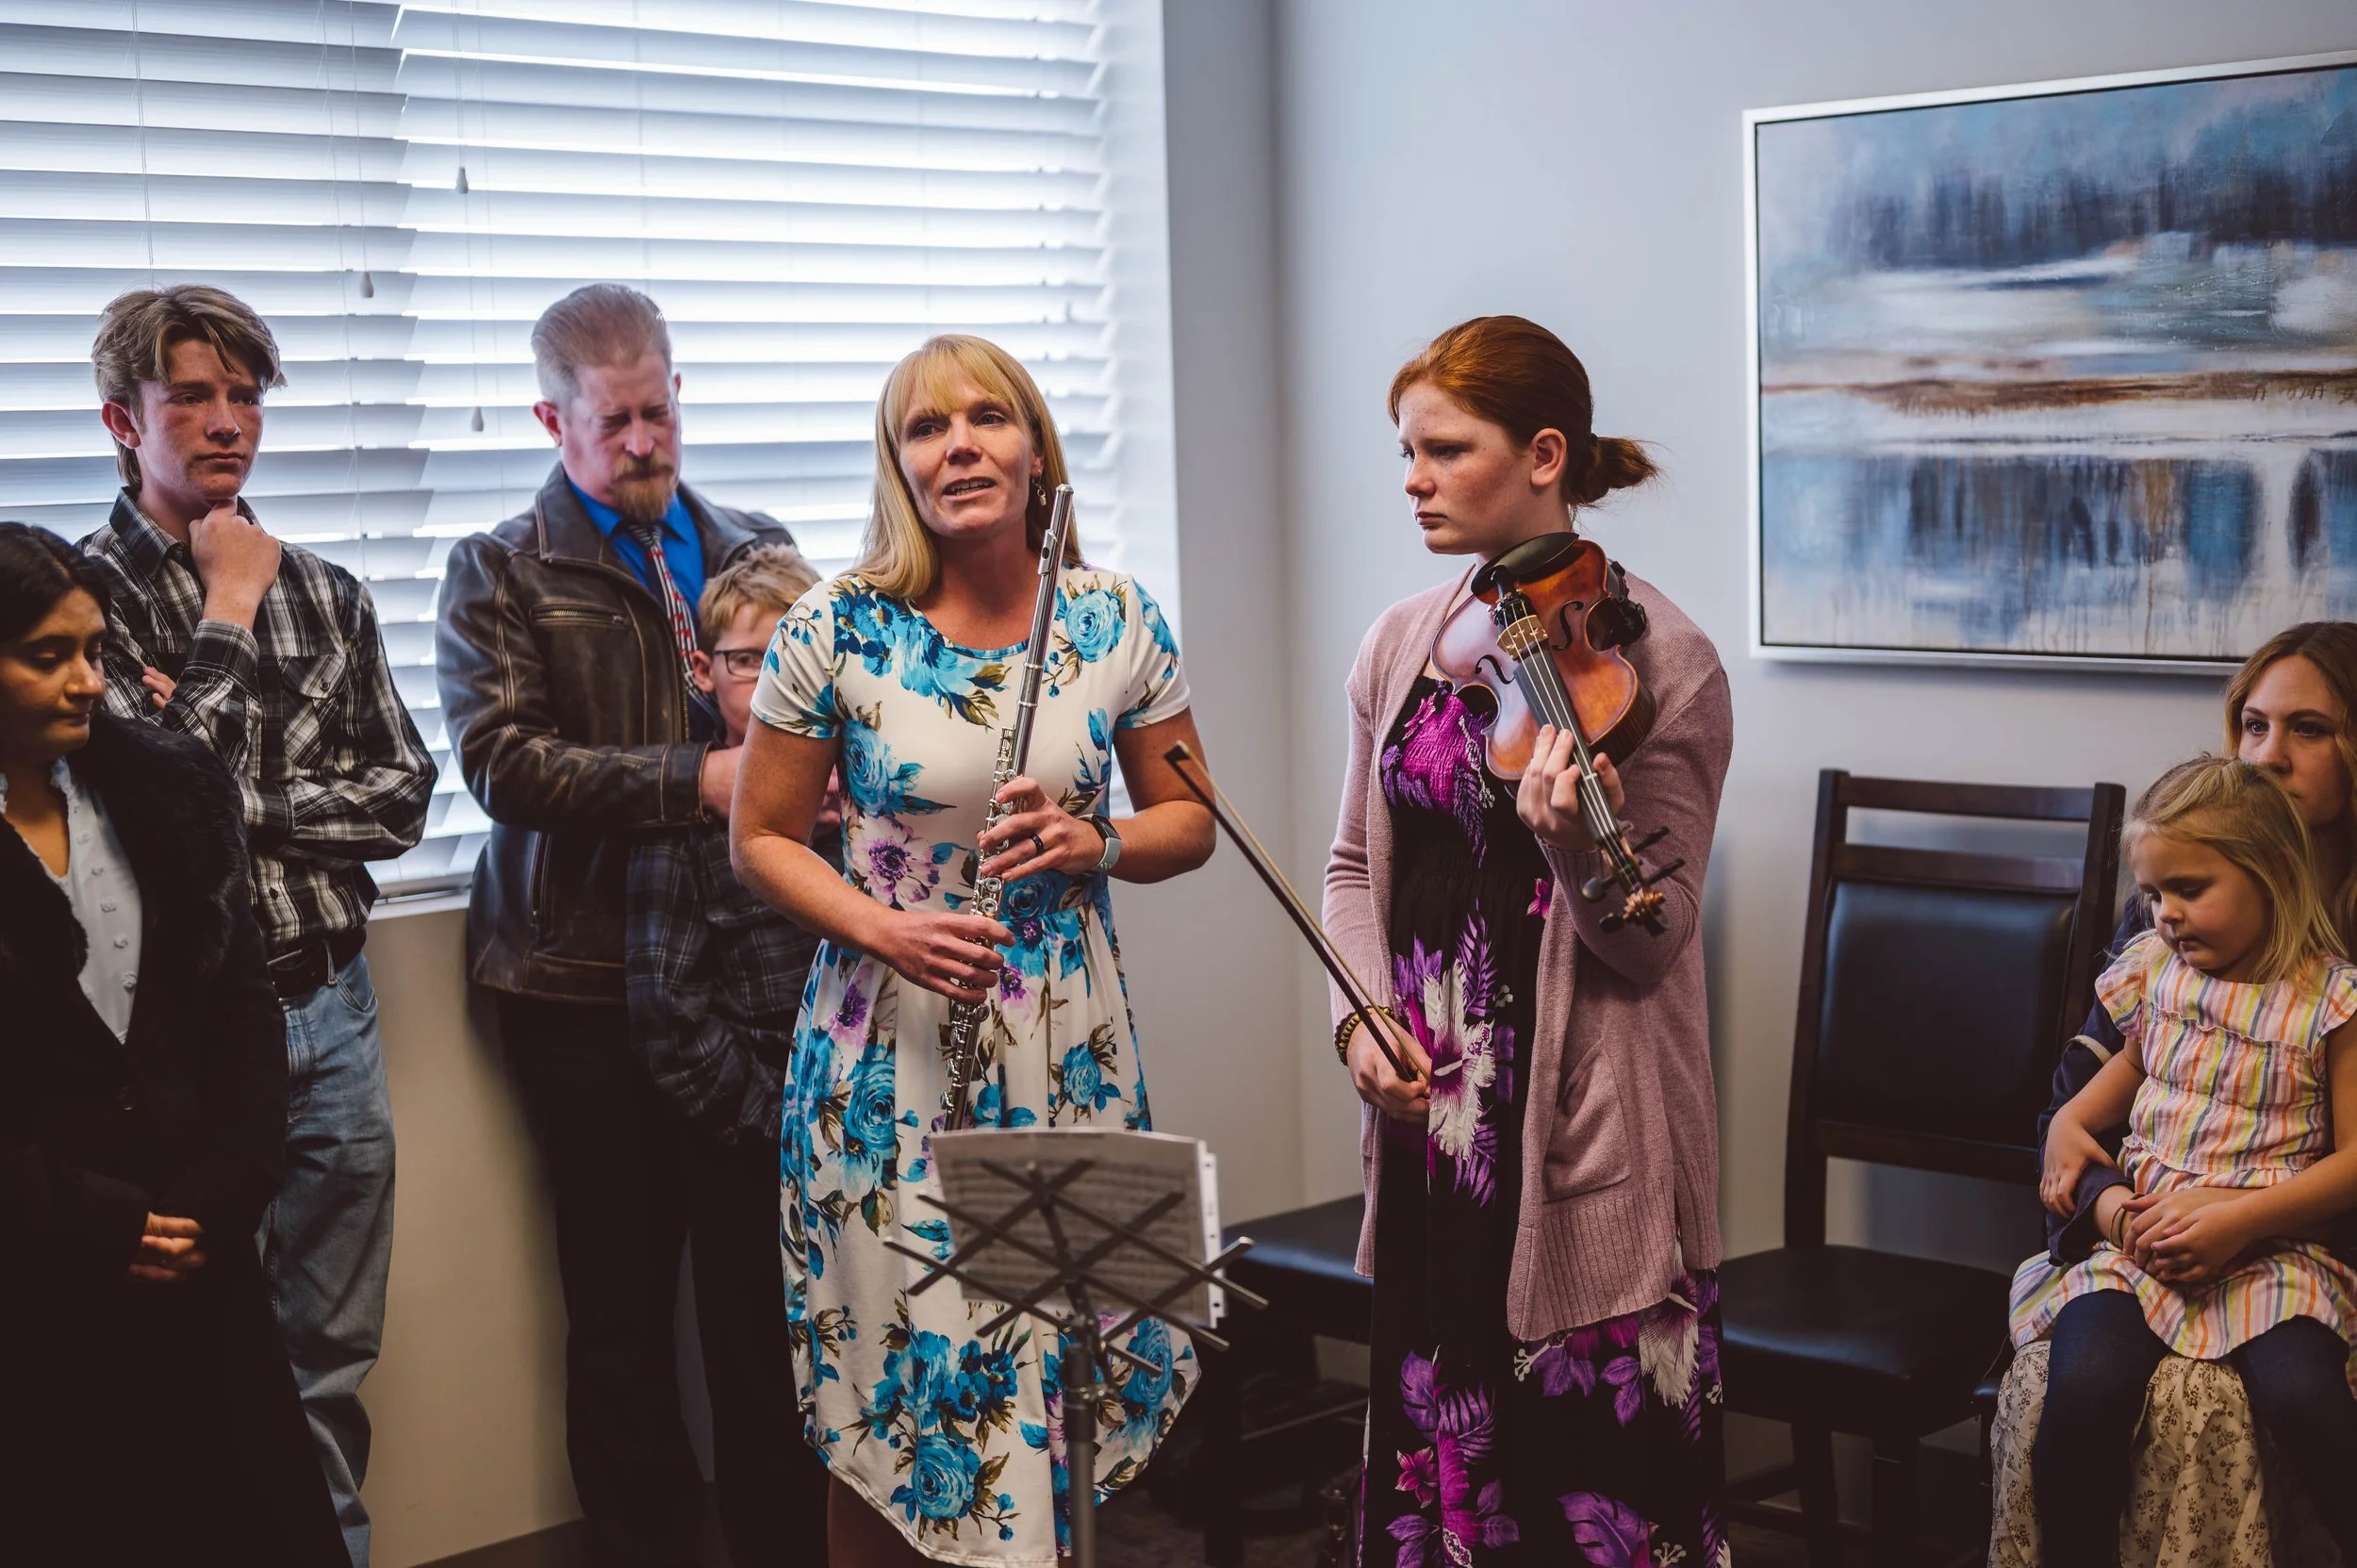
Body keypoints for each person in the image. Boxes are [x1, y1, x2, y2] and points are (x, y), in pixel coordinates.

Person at [729, 333, 1214, 1566]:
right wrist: (883, 924)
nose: (960, 445)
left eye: (987, 418)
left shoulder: (1111, 617)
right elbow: (765, 839)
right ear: (897, 465)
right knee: (893, 1399)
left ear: (1035, 442)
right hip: (888, 1057)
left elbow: (1190, 822)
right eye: (926, 428)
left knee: (1065, 1382)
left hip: (1068, 1042)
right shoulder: (832, 625)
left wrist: (1091, 837)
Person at [1323, 316, 1733, 1563]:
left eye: (1445, 449)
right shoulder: (1401, 640)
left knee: (1583, 1504)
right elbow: (1352, 865)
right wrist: (1356, 1014)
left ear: (1545, 453)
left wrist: (1569, 842)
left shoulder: (1662, 661)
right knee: (1449, 1490)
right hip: (1434, 1126)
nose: (1414, 477)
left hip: (1578, 1129)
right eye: (1406, 450)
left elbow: (1650, 943)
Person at [435, 282, 802, 1568]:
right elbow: (503, 765)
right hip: (580, 981)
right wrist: (698, 776)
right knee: (624, 1306)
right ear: (553, 415)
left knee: (767, 1301)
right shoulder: (499, 567)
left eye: (659, 411)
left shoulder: (758, 545)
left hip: (756, 967)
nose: (645, 441)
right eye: (614, 421)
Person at [79, 283, 434, 1566]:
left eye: (246, 396)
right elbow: (156, 816)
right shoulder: (77, 601)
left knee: (330, 1356)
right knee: (189, 1364)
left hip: (330, 1007)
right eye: (194, 396)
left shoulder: (329, 592)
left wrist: (230, 782)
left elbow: (401, 795)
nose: (228, 422)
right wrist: (226, 609)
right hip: (176, 1036)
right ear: (126, 418)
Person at [0, 522, 348, 1566]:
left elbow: (238, 1009)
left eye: (95, 652)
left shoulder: (162, 792)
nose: (86, 683)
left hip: (196, 1235)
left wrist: (219, 1187)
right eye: (48, 656)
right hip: (41, 1267)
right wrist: (92, 1219)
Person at [2018, 755, 2357, 1567]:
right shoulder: (2160, 978)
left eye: (2190, 889)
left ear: (2273, 872)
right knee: (2087, 1385)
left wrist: (2240, 1219)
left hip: (2271, 1250)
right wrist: (2069, 1121)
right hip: (2144, 1251)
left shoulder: (2330, 1001)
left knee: (2306, 1393)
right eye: (2153, 893)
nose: (2165, 914)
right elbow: (2121, 1079)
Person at [621, 542, 836, 1563]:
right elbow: (667, 1014)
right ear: (706, 672)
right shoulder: (691, 820)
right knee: (760, 1391)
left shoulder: (870, 793)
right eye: (747, 659)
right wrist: (776, 1122)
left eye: (796, 647)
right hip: (747, 1144)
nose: (771, 674)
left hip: (868, 1135)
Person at [2043, 621, 2357, 1260]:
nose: (2268, 756)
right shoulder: (2168, 919)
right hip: (2142, 1236)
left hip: (2300, 1266)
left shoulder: (2336, 982)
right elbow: (2070, 1112)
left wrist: (2240, 1213)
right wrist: (2118, 1214)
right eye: (2254, 724)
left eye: (2309, 728)